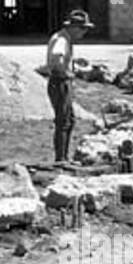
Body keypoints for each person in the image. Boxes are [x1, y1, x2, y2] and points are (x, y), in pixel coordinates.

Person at [45, 9, 94, 163]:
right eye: (82, 29)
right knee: (63, 121)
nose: (83, 33)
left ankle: (64, 156)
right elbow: (56, 57)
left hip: (62, 82)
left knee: (69, 119)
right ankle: (60, 158)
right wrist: (66, 71)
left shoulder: (64, 39)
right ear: (73, 28)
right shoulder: (62, 40)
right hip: (60, 82)